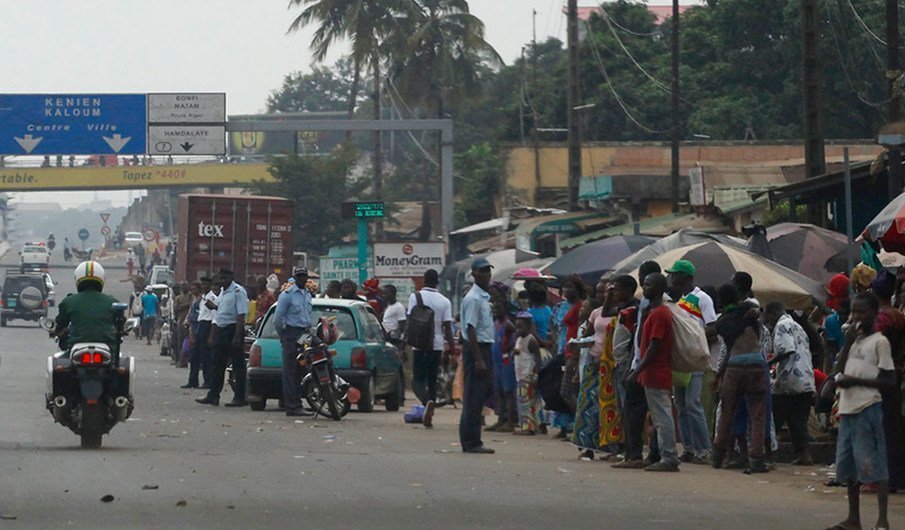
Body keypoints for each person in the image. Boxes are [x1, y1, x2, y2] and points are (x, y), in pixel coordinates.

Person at [825, 292, 894, 530]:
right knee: (850, 467)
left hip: (868, 407)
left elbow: (889, 380)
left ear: (874, 314)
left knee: (874, 464)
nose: (856, 317)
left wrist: (856, 382)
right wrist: (847, 344)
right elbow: (840, 369)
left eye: (862, 312)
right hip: (848, 408)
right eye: (854, 312)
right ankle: (853, 518)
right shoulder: (854, 342)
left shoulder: (880, 342)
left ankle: (882, 519)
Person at [711, 284, 769, 474]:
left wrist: (719, 375)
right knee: (757, 414)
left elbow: (728, 351)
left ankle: (718, 456)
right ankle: (756, 459)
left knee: (727, 412)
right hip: (756, 365)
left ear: (720, 302)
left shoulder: (722, 322)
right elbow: (757, 310)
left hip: (734, 367)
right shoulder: (748, 310)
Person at [627, 272, 678, 472]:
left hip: (657, 372)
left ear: (658, 288)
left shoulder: (660, 314)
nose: (644, 288)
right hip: (652, 373)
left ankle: (669, 457)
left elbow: (654, 346)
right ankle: (664, 455)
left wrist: (636, 370)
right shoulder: (653, 311)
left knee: (662, 416)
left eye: (647, 285)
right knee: (658, 417)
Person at [613, 260, 661, 470]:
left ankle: (645, 454)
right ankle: (638, 454)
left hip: (648, 365)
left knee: (649, 412)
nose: (643, 283)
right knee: (636, 411)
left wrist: (637, 367)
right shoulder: (644, 304)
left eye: (645, 280)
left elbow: (652, 341)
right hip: (637, 362)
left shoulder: (659, 306)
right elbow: (638, 338)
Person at [667, 259, 715, 464]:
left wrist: (692, 338)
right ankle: (688, 448)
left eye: (675, 274)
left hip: (694, 357)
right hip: (679, 359)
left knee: (693, 403)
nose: (671, 278)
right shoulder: (678, 302)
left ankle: (704, 449)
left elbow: (712, 327)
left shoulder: (702, 298)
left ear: (686, 277)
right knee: (681, 405)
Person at [764, 301, 816, 466]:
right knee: (798, 419)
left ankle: (768, 453)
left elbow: (786, 350)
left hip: (791, 379)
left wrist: (767, 362)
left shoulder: (782, 325)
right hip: (806, 378)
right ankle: (804, 454)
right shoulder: (797, 326)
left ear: (772, 314)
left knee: (774, 417)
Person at [869, 270, 905, 492]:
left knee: (881, 429)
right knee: (894, 429)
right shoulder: (898, 315)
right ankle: (897, 478)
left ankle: (884, 479)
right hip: (896, 375)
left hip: (880, 378)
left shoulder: (881, 319)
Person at [407, 269, 454, 428]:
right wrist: (452, 348)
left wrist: (404, 344)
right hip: (437, 345)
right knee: (432, 380)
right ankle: (431, 410)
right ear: (437, 282)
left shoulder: (415, 297)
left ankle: (427, 402)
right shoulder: (445, 301)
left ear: (424, 280)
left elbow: (410, 321)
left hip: (419, 344)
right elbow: (448, 327)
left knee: (417, 380)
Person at [459, 257, 496, 454]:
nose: (486, 275)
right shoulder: (473, 298)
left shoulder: (484, 296)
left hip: (485, 347)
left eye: (488, 271)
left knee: (480, 394)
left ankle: (474, 439)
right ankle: (471, 441)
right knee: (473, 396)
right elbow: (470, 329)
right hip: (476, 349)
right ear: (474, 274)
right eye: (482, 271)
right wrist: (479, 359)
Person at [197, 269, 249, 407]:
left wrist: (237, 337)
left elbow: (240, 315)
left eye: (226, 278)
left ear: (231, 277)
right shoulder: (222, 292)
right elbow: (221, 310)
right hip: (221, 330)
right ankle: (213, 396)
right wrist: (213, 306)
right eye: (221, 278)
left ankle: (240, 397)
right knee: (217, 364)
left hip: (233, 330)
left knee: (238, 365)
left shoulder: (238, 292)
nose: (223, 280)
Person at [272, 267, 314, 417]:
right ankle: (292, 406)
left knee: (301, 370)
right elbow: (278, 319)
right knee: (290, 371)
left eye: (304, 276)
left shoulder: (307, 294)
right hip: (291, 333)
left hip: (305, 334)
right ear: (295, 278)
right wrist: (283, 335)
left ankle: (298, 402)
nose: (301, 279)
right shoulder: (287, 295)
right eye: (299, 276)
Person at [54, 261, 118, 347]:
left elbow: (60, 324)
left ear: (77, 279)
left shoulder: (68, 301)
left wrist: (56, 332)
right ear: (102, 279)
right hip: (107, 348)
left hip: (76, 346)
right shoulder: (112, 302)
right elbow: (120, 324)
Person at [487, 282, 517, 433]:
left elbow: (516, 339)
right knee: (499, 390)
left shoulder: (508, 324)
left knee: (508, 391)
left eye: (498, 309)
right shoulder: (496, 323)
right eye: (494, 309)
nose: (495, 311)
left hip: (506, 360)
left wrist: (510, 350)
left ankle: (510, 421)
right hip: (496, 360)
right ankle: (501, 419)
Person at [513, 311, 542, 436]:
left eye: (521, 327)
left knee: (528, 403)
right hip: (520, 375)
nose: (518, 329)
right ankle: (528, 425)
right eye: (517, 327)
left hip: (528, 375)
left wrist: (535, 375)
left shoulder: (531, 340)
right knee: (522, 402)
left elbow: (538, 359)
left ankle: (528, 427)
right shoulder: (519, 339)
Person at [193, 276, 218, 389]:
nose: (203, 286)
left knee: (206, 356)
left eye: (205, 284)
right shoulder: (202, 297)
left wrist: (211, 336)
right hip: (200, 324)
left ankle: (208, 381)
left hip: (207, 326)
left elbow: (214, 318)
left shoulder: (212, 298)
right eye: (202, 284)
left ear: (210, 285)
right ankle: (193, 380)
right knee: (195, 355)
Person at [182, 282, 204, 389]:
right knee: (193, 357)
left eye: (195, 289)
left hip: (198, 329)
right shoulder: (195, 300)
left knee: (197, 356)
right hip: (192, 328)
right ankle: (192, 380)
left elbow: (200, 315)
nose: (192, 291)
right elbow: (190, 313)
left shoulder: (201, 300)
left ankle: (196, 380)